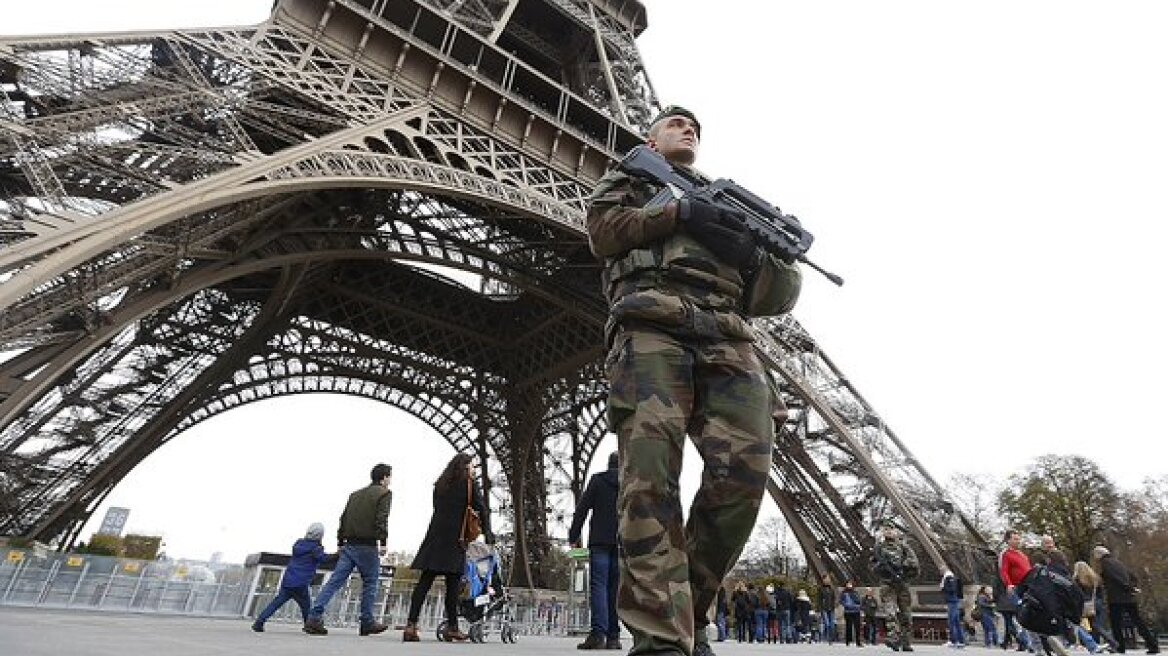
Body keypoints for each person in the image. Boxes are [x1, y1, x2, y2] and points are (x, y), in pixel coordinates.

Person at [586, 104, 803, 656]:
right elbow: (603, 234)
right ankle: (661, 637)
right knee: (651, 479)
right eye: (676, 124)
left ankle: (690, 611)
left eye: (697, 128)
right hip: (652, 326)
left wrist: (769, 255)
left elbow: (771, 301)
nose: (689, 129)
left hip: (729, 339)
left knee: (744, 481)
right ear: (652, 141)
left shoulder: (729, 207)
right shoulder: (633, 178)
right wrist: (678, 212)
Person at [402, 453, 490, 643]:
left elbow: (437, 508)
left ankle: (411, 624)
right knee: (453, 585)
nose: (473, 469)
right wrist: (486, 532)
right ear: (466, 467)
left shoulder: (440, 484)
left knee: (424, 582)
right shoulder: (468, 484)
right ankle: (452, 627)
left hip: (435, 536)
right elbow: (480, 507)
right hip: (455, 538)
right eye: (472, 466)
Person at [303, 463, 393, 636]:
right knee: (370, 583)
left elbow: (343, 518)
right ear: (384, 477)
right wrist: (383, 542)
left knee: (334, 583)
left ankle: (314, 617)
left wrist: (340, 542)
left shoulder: (355, 495)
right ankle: (366, 621)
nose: (390, 480)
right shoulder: (385, 494)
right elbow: (382, 518)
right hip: (367, 546)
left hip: (350, 544)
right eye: (390, 476)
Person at [569, 450, 622, 650]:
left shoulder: (598, 481)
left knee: (599, 586)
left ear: (609, 464)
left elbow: (582, 509)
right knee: (615, 588)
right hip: (621, 542)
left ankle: (598, 633)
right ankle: (614, 636)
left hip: (599, 540)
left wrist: (574, 536)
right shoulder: (629, 483)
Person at [252, 522, 329, 632]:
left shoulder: (298, 544)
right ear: (320, 535)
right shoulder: (315, 548)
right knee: (306, 606)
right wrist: (337, 555)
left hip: (288, 581)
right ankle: (309, 625)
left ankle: (259, 622)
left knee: (276, 603)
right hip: (301, 583)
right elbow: (324, 559)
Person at [1093, 546, 1159, 655]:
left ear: (1098, 555)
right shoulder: (1118, 562)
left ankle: (1120, 647)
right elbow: (1132, 576)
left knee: (1116, 623)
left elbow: (1115, 578)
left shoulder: (1105, 563)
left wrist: (1126, 587)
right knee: (1138, 621)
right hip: (1129, 597)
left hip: (1116, 598)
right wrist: (1132, 587)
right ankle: (1152, 644)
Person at [871, 522, 920, 652]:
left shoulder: (903, 547)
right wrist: (880, 567)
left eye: (891, 529)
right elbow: (873, 567)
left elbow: (914, 563)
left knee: (906, 614)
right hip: (887, 584)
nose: (888, 531)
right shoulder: (879, 548)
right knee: (890, 612)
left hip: (902, 584)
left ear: (896, 532)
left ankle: (905, 642)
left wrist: (902, 567)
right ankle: (893, 637)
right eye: (885, 529)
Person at [941, 569, 967, 647]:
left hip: (952, 601)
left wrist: (943, 588)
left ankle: (953, 640)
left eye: (941, 570)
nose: (940, 572)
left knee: (952, 622)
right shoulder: (954, 578)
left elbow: (952, 589)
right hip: (954, 601)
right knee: (956, 622)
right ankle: (960, 640)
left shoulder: (949, 578)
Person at [840, 580, 864, 646]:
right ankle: (848, 640)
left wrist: (858, 606)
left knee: (857, 627)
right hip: (848, 612)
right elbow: (841, 601)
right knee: (848, 626)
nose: (849, 585)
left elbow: (859, 600)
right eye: (848, 584)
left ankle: (858, 641)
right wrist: (846, 604)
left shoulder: (855, 593)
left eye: (850, 584)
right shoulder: (844, 593)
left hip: (856, 611)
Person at [819, 574, 838, 644]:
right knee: (827, 624)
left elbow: (833, 598)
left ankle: (830, 638)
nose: (827, 580)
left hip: (831, 608)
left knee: (832, 625)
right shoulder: (821, 589)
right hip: (824, 608)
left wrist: (834, 606)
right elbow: (819, 600)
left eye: (828, 579)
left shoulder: (831, 589)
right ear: (823, 580)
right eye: (825, 579)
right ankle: (826, 637)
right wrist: (821, 608)